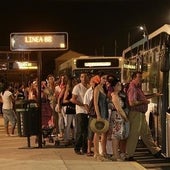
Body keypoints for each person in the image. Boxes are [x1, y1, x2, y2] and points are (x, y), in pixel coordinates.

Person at [125, 71, 163, 161]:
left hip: (140, 114)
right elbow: (132, 102)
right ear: (134, 78)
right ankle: (129, 155)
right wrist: (144, 102)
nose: (141, 79)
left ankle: (155, 151)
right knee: (134, 134)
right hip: (135, 114)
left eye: (141, 77)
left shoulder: (137, 87)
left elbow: (142, 97)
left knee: (146, 133)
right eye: (139, 77)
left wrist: (154, 95)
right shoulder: (132, 88)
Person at [107, 77, 129, 161]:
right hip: (117, 117)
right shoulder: (114, 95)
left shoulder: (118, 95)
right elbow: (118, 108)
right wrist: (125, 118)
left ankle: (116, 154)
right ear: (115, 86)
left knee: (117, 135)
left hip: (118, 117)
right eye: (118, 84)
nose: (120, 86)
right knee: (115, 136)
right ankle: (116, 155)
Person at [71, 73, 89, 155]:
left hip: (88, 112)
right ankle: (77, 147)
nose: (84, 78)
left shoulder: (89, 87)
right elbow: (73, 99)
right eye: (82, 77)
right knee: (80, 130)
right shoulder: (77, 87)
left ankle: (85, 148)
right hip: (80, 111)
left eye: (85, 76)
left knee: (87, 131)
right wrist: (82, 105)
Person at [93, 73, 109, 161]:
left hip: (106, 112)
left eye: (106, 78)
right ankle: (96, 152)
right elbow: (95, 102)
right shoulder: (97, 88)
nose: (105, 80)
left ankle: (104, 151)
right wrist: (98, 115)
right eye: (103, 78)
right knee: (97, 132)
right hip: (100, 112)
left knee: (105, 133)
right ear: (100, 79)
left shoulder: (106, 89)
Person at [84, 75, 100, 156]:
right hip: (92, 114)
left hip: (98, 113)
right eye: (93, 82)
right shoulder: (88, 91)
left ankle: (96, 150)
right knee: (91, 132)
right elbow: (86, 103)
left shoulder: (99, 90)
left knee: (97, 132)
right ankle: (89, 149)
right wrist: (89, 112)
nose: (94, 84)